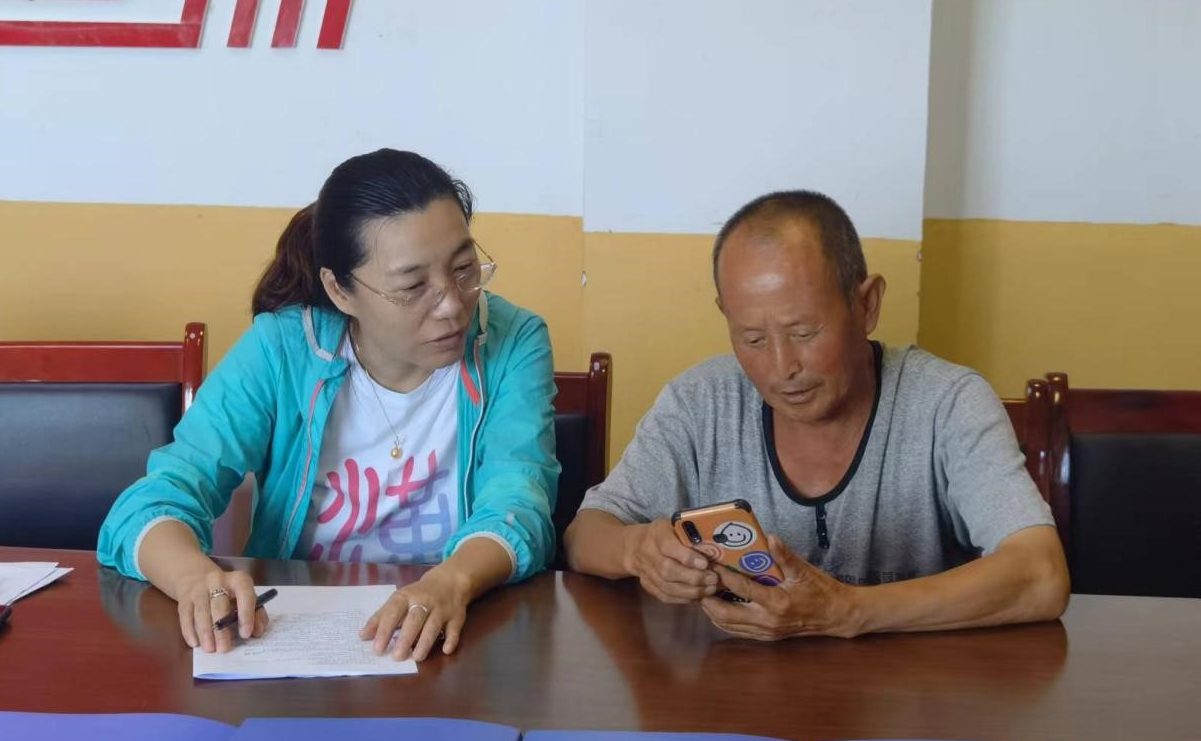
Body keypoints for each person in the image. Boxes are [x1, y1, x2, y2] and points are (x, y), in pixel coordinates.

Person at [98, 149, 558, 661]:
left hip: (453, 633)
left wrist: (451, 582)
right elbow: (157, 498)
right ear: (340, 291)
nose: (452, 304)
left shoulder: (512, 342)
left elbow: (519, 503)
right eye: (412, 287)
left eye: (465, 268)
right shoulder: (282, 350)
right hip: (291, 635)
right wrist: (194, 579)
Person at [564, 189, 1069, 640]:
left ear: (867, 304)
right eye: (753, 339)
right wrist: (639, 549)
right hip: (737, 700)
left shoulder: (947, 403)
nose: (782, 368)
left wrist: (849, 611)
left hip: (913, 699)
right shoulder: (700, 403)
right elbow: (585, 534)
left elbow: (1041, 575)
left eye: (804, 333)